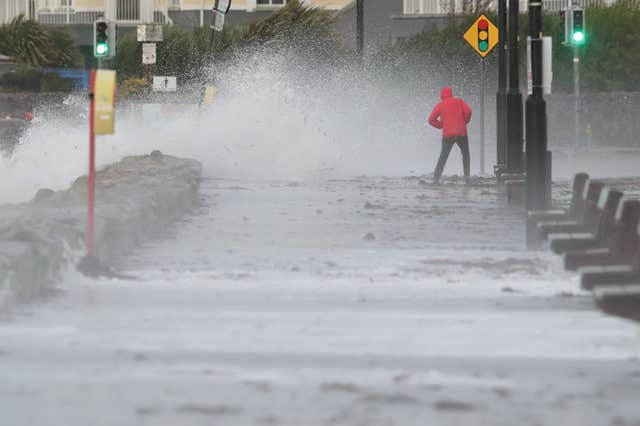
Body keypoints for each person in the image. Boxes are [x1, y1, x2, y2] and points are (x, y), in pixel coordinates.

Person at [428, 86, 472, 184]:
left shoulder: (441, 104)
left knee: (443, 156)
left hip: (448, 134)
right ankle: (467, 177)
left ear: (442, 95)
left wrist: (440, 125)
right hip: (461, 133)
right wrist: (465, 121)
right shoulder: (459, 101)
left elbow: (431, 119)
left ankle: (436, 178)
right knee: (465, 154)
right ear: (451, 93)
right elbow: (468, 111)